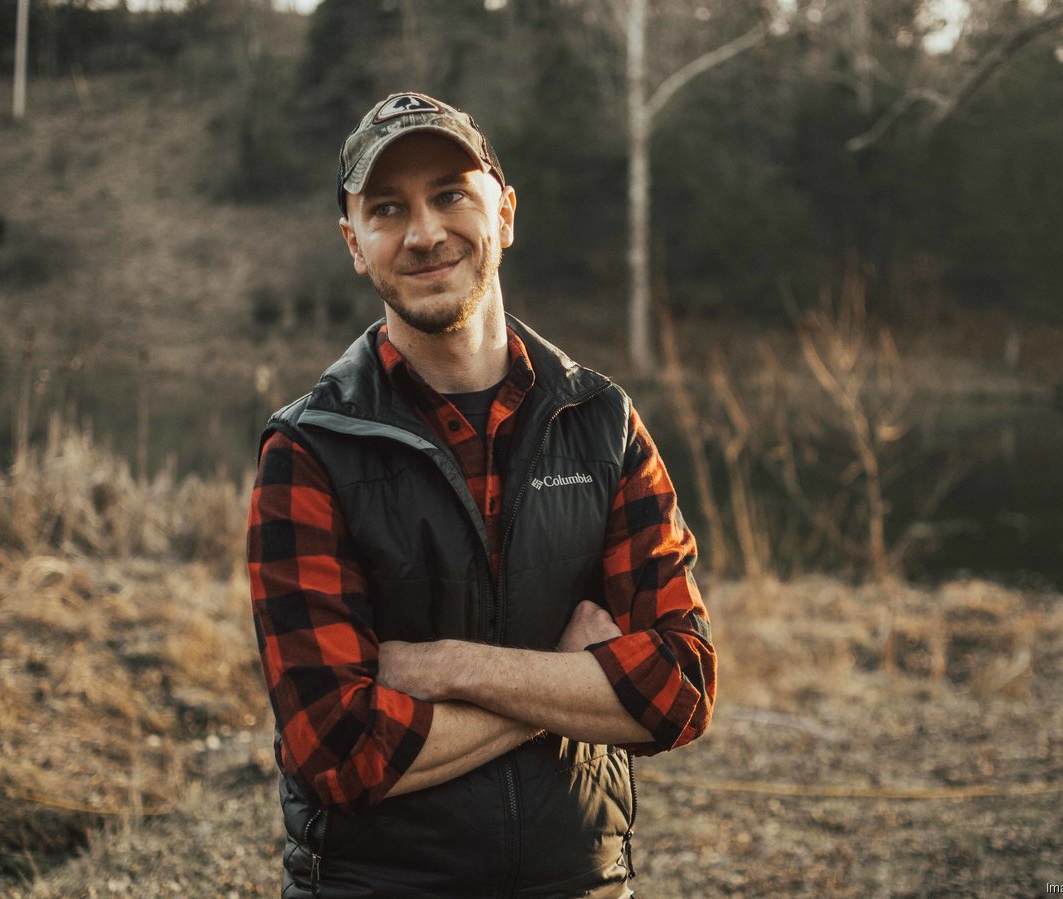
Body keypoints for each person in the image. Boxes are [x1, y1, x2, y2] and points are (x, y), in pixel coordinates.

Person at [247, 91, 716, 899]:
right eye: (388, 208)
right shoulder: (310, 450)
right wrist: (568, 679)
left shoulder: (600, 421)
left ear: (504, 212)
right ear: (354, 244)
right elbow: (335, 748)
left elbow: (679, 686)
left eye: (451, 194)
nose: (425, 233)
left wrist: (448, 666)